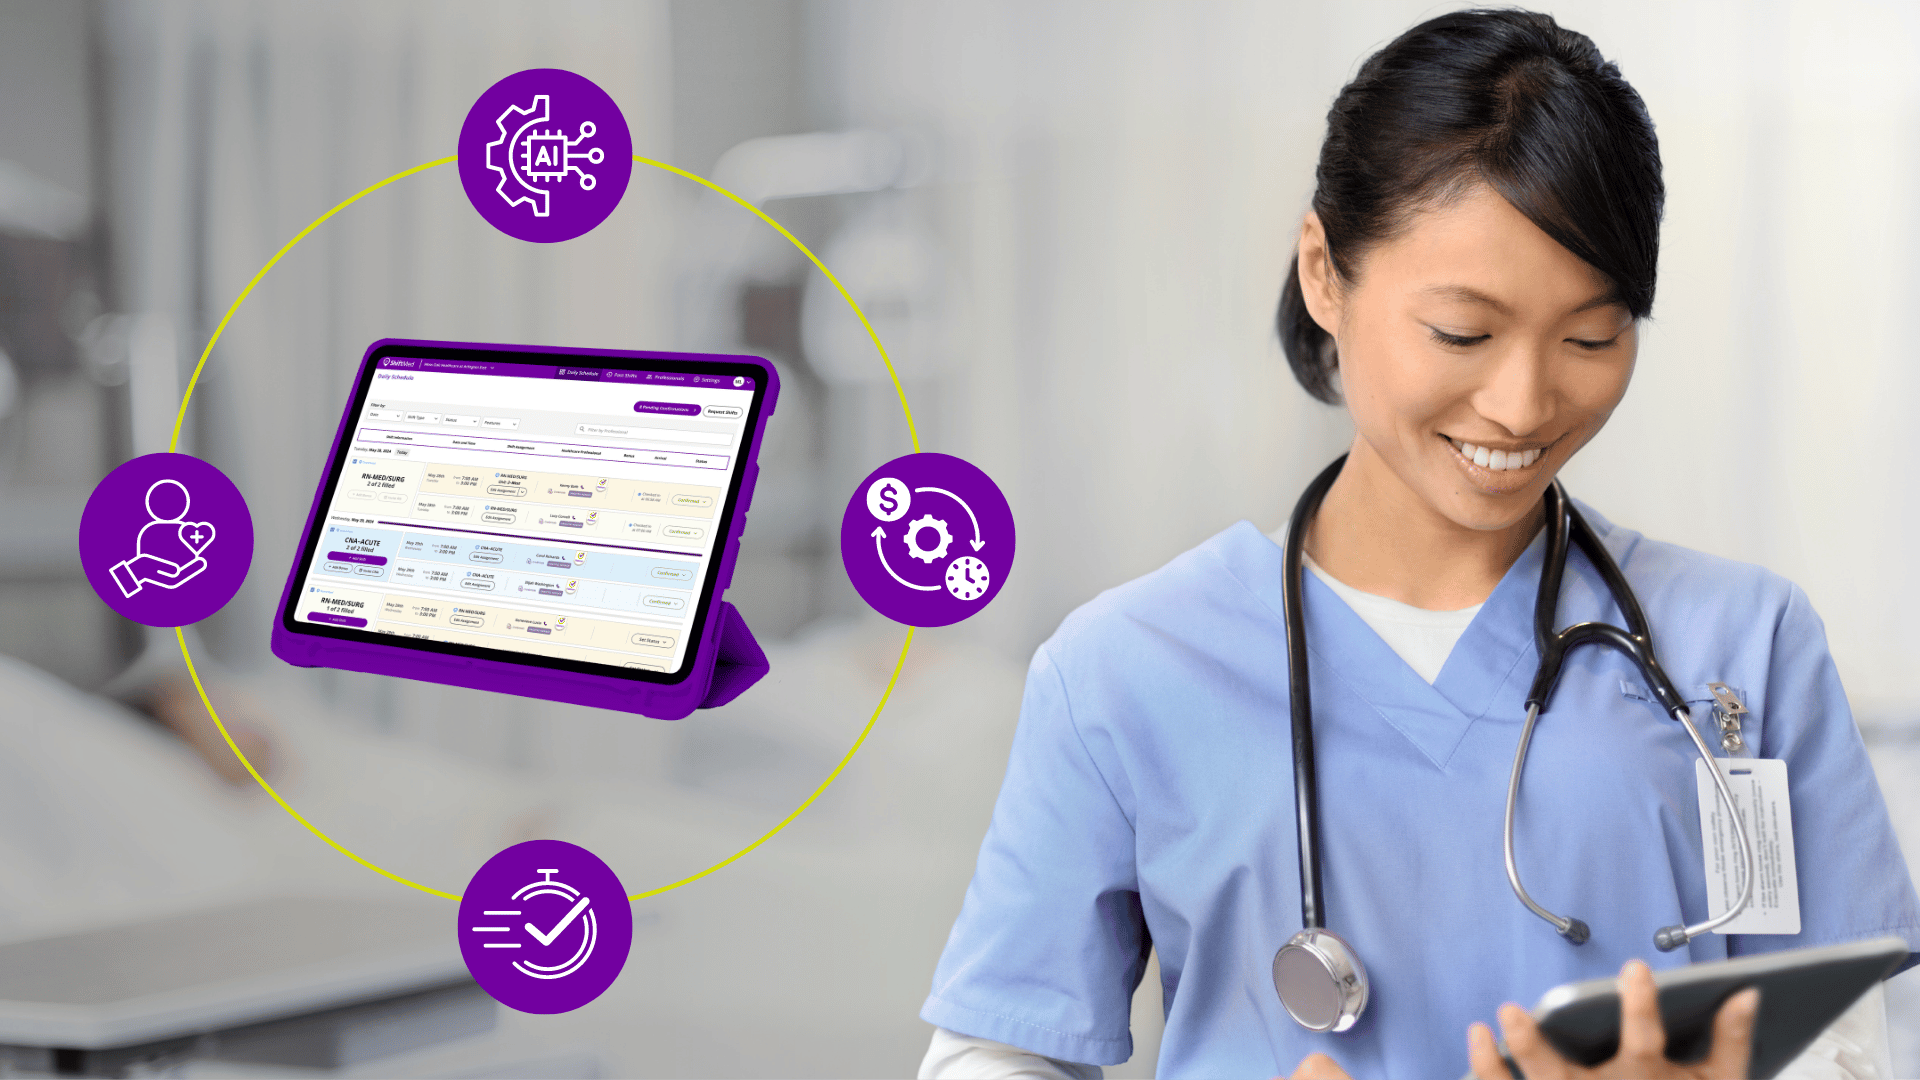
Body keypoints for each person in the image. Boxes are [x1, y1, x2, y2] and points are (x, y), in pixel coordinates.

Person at [915, 9, 1920, 1079]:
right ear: (1323, 274)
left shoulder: (1741, 644)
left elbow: (1859, 1035)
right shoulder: (1127, 667)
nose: (1525, 400)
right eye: (1463, 333)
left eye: (1591, 336)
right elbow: (998, 1052)